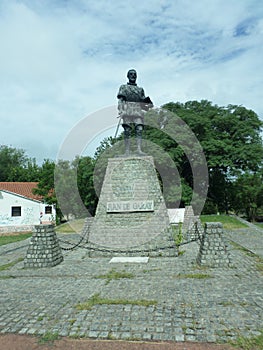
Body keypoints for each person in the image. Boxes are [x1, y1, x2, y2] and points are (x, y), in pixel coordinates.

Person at [117, 69, 153, 156]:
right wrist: (121, 110)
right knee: (127, 130)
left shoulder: (140, 89)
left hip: (137, 111)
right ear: (128, 76)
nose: (133, 76)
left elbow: (143, 101)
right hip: (127, 110)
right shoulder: (123, 87)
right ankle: (127, 151)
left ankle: (139, 150)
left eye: (134, 74)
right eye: (131, 74)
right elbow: (120, 100)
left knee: (139, 129)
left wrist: (149, 104)